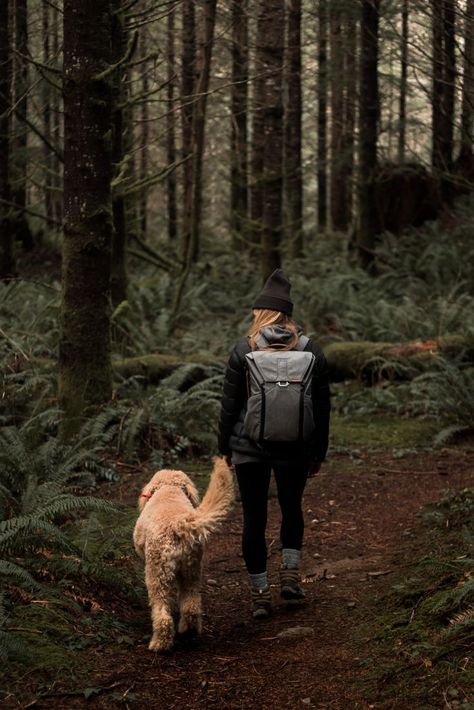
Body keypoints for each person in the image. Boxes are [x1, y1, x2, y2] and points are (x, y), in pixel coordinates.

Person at [218, 269, 331, 619]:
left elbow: (230, 405)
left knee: (254, 517)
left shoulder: (244, 348)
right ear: (288, 315)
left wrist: (224, 449)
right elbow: (323, 407)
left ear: (260, 313)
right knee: (291, 507)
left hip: (249, 448)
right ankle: (291, 577)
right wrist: (318, 452)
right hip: (295, 447)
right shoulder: (310, 350)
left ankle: (260, 594)